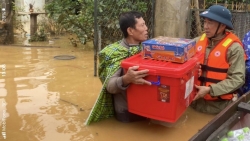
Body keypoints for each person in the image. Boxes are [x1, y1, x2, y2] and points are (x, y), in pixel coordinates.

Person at [85, 11, 151, 125]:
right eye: (142, 25)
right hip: (126, 112)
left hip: (146, 108)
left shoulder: (147, 49)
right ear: (130, 31)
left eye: (145, 24)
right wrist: (126, 79)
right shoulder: (116, 53)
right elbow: (110, 86)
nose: (146, 28)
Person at [191, 5, 246, 114]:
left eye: (210, 23)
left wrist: (210, 90)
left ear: (222, 26)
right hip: (194, 103)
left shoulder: (234, 48)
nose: (205, 26)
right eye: (205, 22)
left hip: (218, 108)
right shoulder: (197, 42)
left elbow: (237, 79)